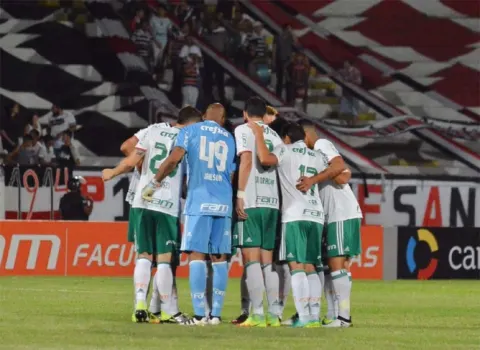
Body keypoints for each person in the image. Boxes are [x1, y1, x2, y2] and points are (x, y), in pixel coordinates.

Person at [102, 106, 203, 323]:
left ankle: (140, 304)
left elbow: (131, 158)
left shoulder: (153, 129)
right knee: (165, 260)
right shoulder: (188, 138)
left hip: (142, 201)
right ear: (193, 124)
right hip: (166, 204)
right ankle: (166, 309)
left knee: (144, 255)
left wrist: (112, 172)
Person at [142, 103, 235, 326]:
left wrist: (154, 182)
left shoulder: (190, 131)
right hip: (223, 202)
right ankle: (216, 315)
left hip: (199, 201)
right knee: (220, 257)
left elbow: (174, 158)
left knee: (197, 256)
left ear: (204, 116)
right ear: (222, 119)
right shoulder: (229, 138)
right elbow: (230, 174)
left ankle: (200, 314)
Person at [298, 119, 361, 328]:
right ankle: (335, 315)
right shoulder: (315, 153)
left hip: (340, 212)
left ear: (305, 135)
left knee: (336, 264)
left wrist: (314, 179)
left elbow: (341, 170)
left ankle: (344, 317)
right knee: (330, 266)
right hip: (330, 215)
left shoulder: (320, 145)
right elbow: (343, 172)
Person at [233, 97, 282, 327]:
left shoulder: (243, 129)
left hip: (252, 200)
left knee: (250, 260)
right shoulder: (274, 135)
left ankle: (257, 314)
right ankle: (273, 314)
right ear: (264, 115)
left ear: (245, 114)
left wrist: (240, 195)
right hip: (272, 203)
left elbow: (246, 161)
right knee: (267, 262)